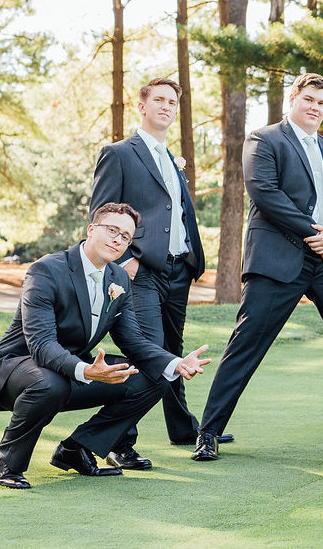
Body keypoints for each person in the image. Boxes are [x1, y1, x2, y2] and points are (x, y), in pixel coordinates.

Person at [0, 203, 211, 489]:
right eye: (112, 230)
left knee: (154, 377)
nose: (118, 240)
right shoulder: (46, 270)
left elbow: (134, 341)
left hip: (73, 369)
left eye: (126, 236)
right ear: (91, 229)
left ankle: (77, 448)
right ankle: (7, 459)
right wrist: (86, 371)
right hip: (15, 368)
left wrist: (174, 363)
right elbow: (40, 344)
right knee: (53, 384)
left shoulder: (118, 278)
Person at [193, 73, 323, 461]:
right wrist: (312, 233)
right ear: (292, 99)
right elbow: (264, 192)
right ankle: (209, 431)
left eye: (322, 102)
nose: (315, 108)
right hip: (278, 260)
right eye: (309, 100)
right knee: (245, 346)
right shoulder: (264, 139)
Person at [90, 77, 214, 457]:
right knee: (148, 352)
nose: (166, 107)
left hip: (179, 270)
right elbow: (102, 211)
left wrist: (193, 260)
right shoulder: (120, 153)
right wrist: (124, 260)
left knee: (172, 349)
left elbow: (178, 213)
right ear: (142, 106)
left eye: (173, 103)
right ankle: (118, 442)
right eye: (159, 100)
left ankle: (182, 429)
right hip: (140, 271)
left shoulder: (172, 159)